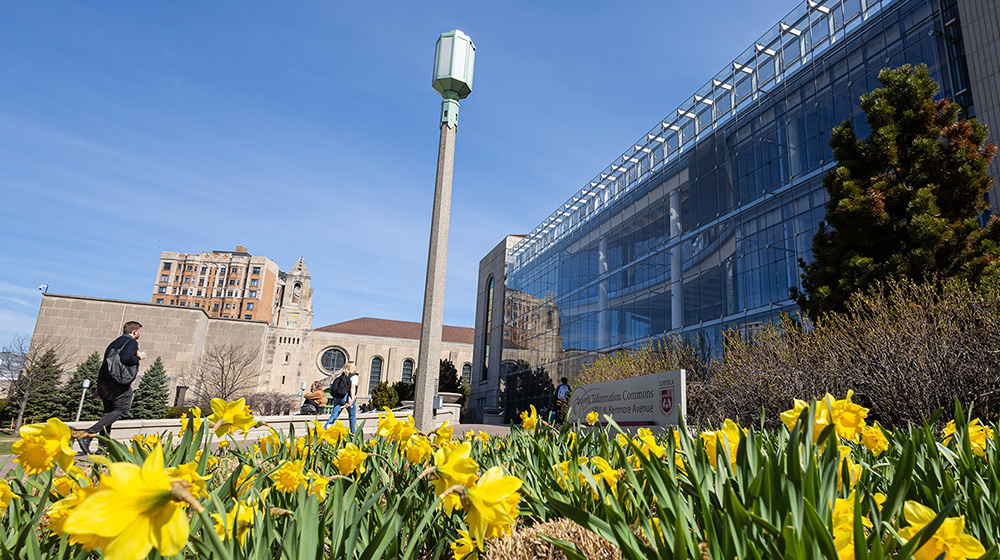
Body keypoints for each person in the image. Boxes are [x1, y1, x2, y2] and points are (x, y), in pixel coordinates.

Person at [77, 321, 145, 455]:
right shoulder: (131, 342)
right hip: (118, 384)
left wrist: (99, 386)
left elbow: (106, 364)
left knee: (108, 414)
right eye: (139, 332)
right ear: (135, 331)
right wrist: (139, 357)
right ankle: (88, 434)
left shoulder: (114, 343)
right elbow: (126, 359)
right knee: (122, 409)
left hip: (105, 382)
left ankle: (103, 447)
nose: (139, 334)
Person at [324, 361, 359, 433]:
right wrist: (352, 399)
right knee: (352, 415)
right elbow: (352, 388)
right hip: (347, 398)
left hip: (338, 397)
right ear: (351, 368)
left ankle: (325, 429)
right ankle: (354, 432)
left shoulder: (341, 376)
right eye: (354, 366)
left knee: (334, 415)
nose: (356, 367)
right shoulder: (354, 376)